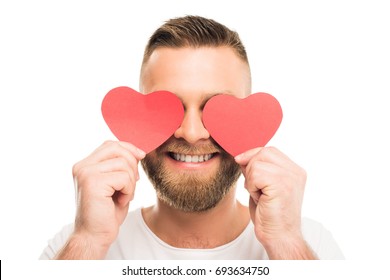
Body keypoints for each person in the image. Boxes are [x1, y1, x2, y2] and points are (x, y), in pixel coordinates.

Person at [40, 15, 344, 260]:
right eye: (167, 106)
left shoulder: (311, 245)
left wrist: (286, 243)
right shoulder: (72, 248)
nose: (192, 132)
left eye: (215, 107)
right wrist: (89, 242)